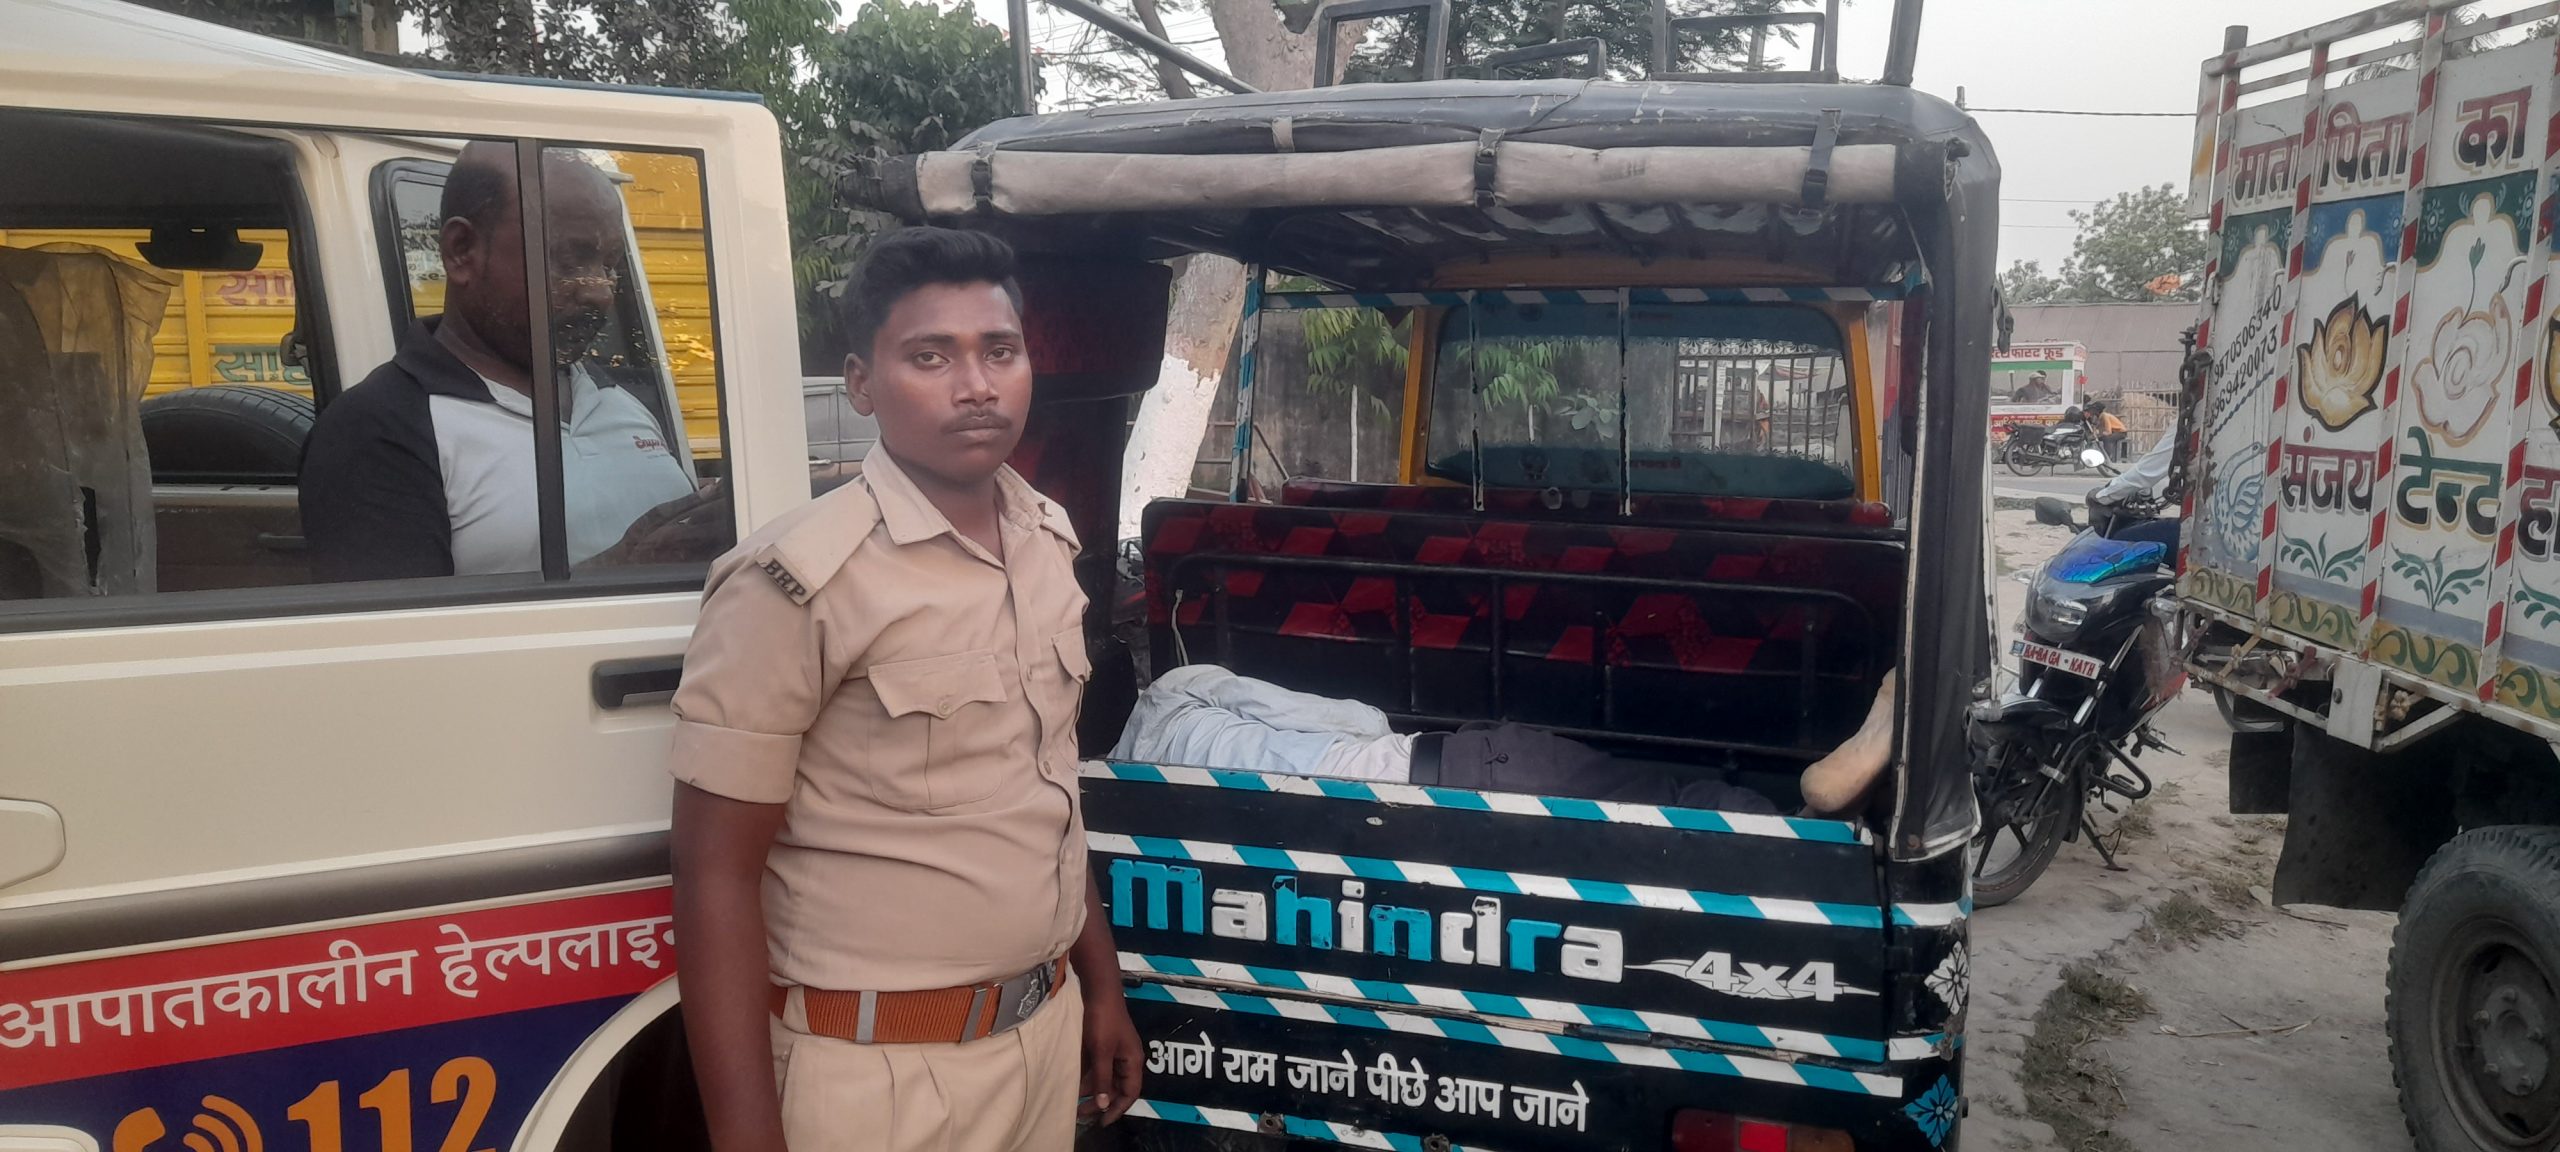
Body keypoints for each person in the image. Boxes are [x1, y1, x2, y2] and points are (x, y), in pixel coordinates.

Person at [666, 227, 1142, 1152]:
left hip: (1043, 1042)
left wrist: (1101, 986)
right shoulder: (797, 583)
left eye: (999, 351)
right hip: (878, 1077)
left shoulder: (1047, 541)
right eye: (931, 356)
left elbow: (1044, 791)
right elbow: (714, 874)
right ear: (861, 383)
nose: (976, 385)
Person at [298, 142, 701, 581]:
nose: (601, 291)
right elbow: (397, 625)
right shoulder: (377, 432)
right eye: (569, 260)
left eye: (610, 266)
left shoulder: (621, 402)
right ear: (461, 251)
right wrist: (628, 566)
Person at [1113, 663, 1898, 818]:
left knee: (1646, 809)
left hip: (1448, 789)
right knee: (1653, 793)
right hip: (1466, 764)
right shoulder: (1177, 695)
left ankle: (1797, 820)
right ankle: (1801, 817)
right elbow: (1354, 718)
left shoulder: (1130, 787)